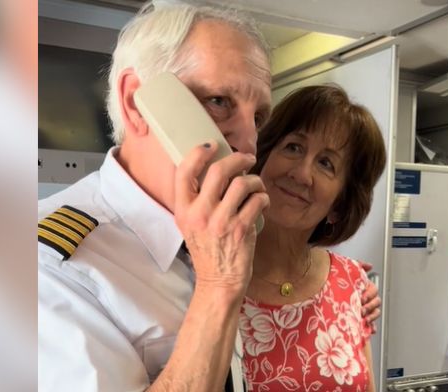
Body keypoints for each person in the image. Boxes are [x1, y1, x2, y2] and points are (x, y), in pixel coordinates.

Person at [38, 2, 380, 391]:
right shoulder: (50, 267)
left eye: (258, 118)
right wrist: (220, 285)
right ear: (136, 101)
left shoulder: (216, 235)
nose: (250, 145)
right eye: (219, 102)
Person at [239, 85, 387, 392]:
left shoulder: (352, 282)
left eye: (326, 164)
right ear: (264, 157)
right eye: (293, 147)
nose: (302, 174)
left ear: (339, 205)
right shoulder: (212, 274)